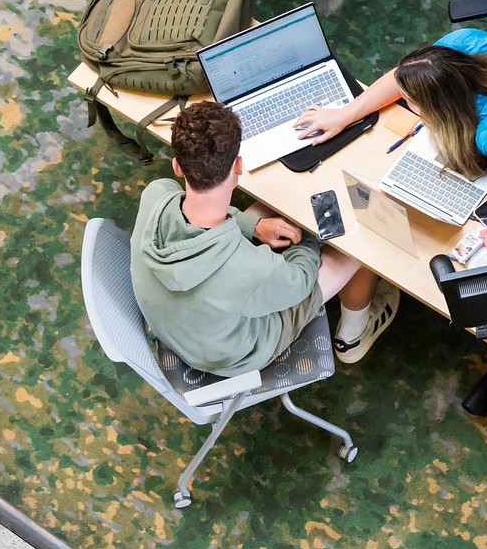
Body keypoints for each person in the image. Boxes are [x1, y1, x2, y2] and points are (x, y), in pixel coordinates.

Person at [130, 102, 399, 370]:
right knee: (356, 245)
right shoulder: (253, 268)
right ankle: (352, 336)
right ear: (238, 166)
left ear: (177, 167)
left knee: (257, 212)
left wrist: (254, 226)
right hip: (230, 354)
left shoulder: (157, 193)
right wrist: (305, 233)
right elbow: (300, 280)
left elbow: (202, 212)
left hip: (177, 323)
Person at [293, 24, 487, 186]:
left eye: (411, 103)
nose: (405, 103)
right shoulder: (462, 44)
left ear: (443, 109)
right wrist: (346, 114)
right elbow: (403, 77)